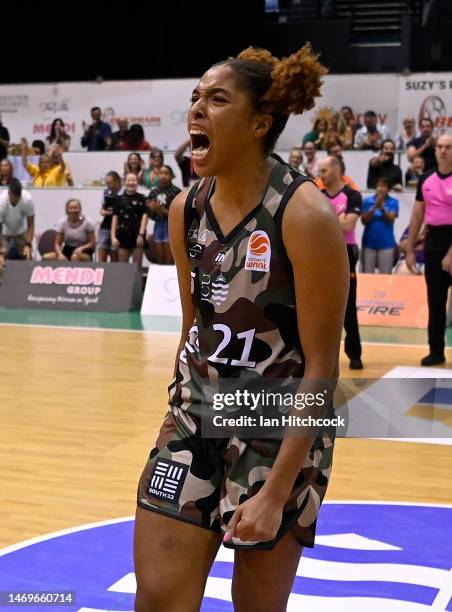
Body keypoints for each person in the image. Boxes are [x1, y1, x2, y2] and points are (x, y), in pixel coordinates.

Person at [134, 45, 349, 612]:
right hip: (194, 415)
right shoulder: (186, 208)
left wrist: (277, 491)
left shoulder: (305, 215)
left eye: (217, 99)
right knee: (157, 597)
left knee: (254, 605)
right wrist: (178, 413)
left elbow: (324, 371)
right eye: (195, 99)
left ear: (259, 122)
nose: (197, 110)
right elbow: (192, 325)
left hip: (277, 430)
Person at [405, 134, 452, 366]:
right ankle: (436, 350)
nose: (443, 150)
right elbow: (417, 215)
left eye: (448, 147)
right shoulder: (426, 179)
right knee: (435, 300)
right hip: (434, 241)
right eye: (440, 147)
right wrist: (410, 249)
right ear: (435, 151)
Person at [318, 155, 363, 369]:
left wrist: (325, 220)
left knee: (348, 307)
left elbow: (349, 227)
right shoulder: (317, 196)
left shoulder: (352, 195)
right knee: (319, 307)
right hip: (322, 252)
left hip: (345, 253)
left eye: (324, 170)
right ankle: (321, 357)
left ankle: (354, 354)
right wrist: (338, 218)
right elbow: (313, 225)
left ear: (336, 170)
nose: (320, 175)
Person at [361, 178, 399, 274]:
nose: (381, 189)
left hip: (386, 244)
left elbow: (391, 219)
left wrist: (382, 208)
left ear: (388, 189)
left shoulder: (393, 202)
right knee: (367, 276)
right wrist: (374, 207)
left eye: (384, 186)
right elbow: (364, 221)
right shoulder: (367, 201)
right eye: (379, 186)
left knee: (385, 275)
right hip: (368, 243)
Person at [111, 173, 148, 267]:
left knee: (137, 267)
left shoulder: (143, 198)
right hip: (122, 236)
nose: (131, 183)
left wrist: (141, 234)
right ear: (124, 182)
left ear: (137, 182)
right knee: (123, 267)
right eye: (128, 180)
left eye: (133, 180)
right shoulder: (118, 199)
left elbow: (145, 216)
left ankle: (139, 282)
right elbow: (115, 218)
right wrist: (113, 236)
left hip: (137, 236)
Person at [146, 165, 181, 264]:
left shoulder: (176, 192)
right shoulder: (154, 192)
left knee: (170, 260)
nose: (163, 176)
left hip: (171, 226)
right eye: (161, 173)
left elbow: (178, 214)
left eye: (166, 173)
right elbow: (151, 216)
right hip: (158, 226)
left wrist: (161, 210)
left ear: (171, 176)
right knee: (160, 259)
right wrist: (152, 210)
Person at [0, 179, 34, 271]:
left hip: (20, 232)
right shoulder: (1, 202)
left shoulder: (27, 199)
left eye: (18, 198)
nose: (15, 201)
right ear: (9, 194)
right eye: (13, 198)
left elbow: (31, 223)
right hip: (4, 233)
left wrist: (28, 244)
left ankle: (28, 282)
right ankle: (3, 284)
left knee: (28, 256)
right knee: (1, 259)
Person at [98, 171, 122, 263]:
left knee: (114, 254)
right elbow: (102, 210)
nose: (108, 185)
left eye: (109, 183)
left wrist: (113, 212)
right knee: (102, 251)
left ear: (116, 181)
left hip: (117, 227)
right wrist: (110, 212)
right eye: (106, 183)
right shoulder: (105, 192)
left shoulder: (123, 193)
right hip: (105, 226)